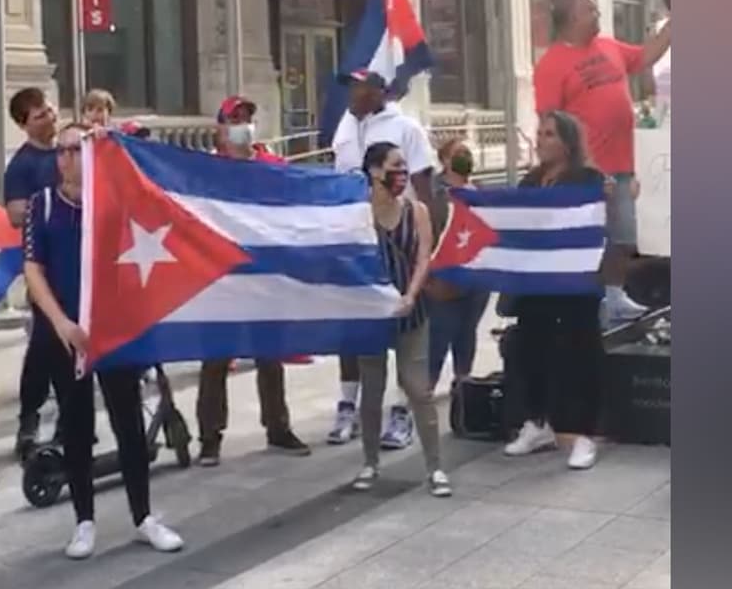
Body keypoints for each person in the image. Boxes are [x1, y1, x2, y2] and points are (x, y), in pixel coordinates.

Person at [23, 122, 184, 560]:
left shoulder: (112, 203)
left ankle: (143, 517)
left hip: (112, 330)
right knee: (76, 427)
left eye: (76, 150)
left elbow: (155, 205)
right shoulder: (43, 206)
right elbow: (33, 269)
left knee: (128, 423)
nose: (67, 159)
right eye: (61, 151)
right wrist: (60, 323)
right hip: (64, 333)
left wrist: (118, 144)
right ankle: (84, 521)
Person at [533, 0, 671, 325]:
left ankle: (615, 296)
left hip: (622, 165)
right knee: (594, 238)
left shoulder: (610, 47)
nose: (598, 14)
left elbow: (647, 55)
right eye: (590, 10)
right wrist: (572, 166)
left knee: (623, 236)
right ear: (572, 19)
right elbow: (549, 121)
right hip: (586, 171)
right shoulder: (552, 64)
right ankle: (591, 302)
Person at [193, 96, 312, 467]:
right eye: (234, 118)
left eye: (246, 117)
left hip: (263, 275)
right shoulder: (206, 172)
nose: (242, 123)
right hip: (222, 277)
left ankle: (278, 427)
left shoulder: (273, 166)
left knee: (270, 355)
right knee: (215, 359)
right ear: (221, 128)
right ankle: (210, 436)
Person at [327, 70, 436, 450]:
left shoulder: (406, 128)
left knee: (402, 329)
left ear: (379, 92)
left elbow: (424, 187)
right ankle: (348, 404)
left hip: (397, 240)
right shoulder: (343, 129)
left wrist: (427, 245)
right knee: (352, 329)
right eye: (350, 87)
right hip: (354, 239)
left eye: (360, 86)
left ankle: (402, 411)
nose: (353, 93)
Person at [503, 111, 607, 470]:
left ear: (567, 141)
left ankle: (582, 434)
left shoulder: (589, 179)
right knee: (530, 349)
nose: (541, 139)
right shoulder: (530, 182)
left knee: (580, 354)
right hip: (536, 284)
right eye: (539, 133)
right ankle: (538, 421)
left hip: (577, 285)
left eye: (549, 134)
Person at [351, 141, 452, 497]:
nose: (402, 173)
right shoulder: (358, 213)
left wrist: (411, 295)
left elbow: (424, 256)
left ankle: (435, 468)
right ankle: (370, 462)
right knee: (372, 390)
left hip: (413, 314)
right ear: (375, 172)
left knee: (418, 389)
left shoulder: (417, 211)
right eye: (395, 165)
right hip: (372, 317)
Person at [5, 88, 63, 460]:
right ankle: (29, 421)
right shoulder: (22, 166)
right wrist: (54, 207)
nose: (50, 117)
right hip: (44, 269)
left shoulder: (71, 151)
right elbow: (13, 214)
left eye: (50, 109)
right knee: (43, 348)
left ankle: (70, 424)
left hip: (79, 265)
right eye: (40, 114)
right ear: (25, 125)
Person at [424, 138, 491, 391]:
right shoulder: (434, 192)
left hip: (477, 278)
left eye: (468, 152)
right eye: (459, 153)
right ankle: (426, 388)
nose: (466, 156)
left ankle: (463, 384)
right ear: (444, 160)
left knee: (467, 333)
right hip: (445, 277)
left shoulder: (480, 189)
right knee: (439, 335)